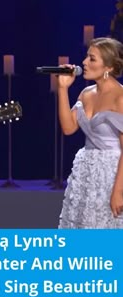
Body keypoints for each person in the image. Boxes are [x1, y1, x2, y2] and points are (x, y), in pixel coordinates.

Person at [57, 37, 123, 228]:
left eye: (92, 59)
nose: (84, 63)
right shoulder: (86, 93)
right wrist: (62, 89)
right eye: (87, 57)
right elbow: (68, 128)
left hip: (112, 174)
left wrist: (118, 191)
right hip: (86, 173)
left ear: (109, 66)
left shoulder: (120, 97)